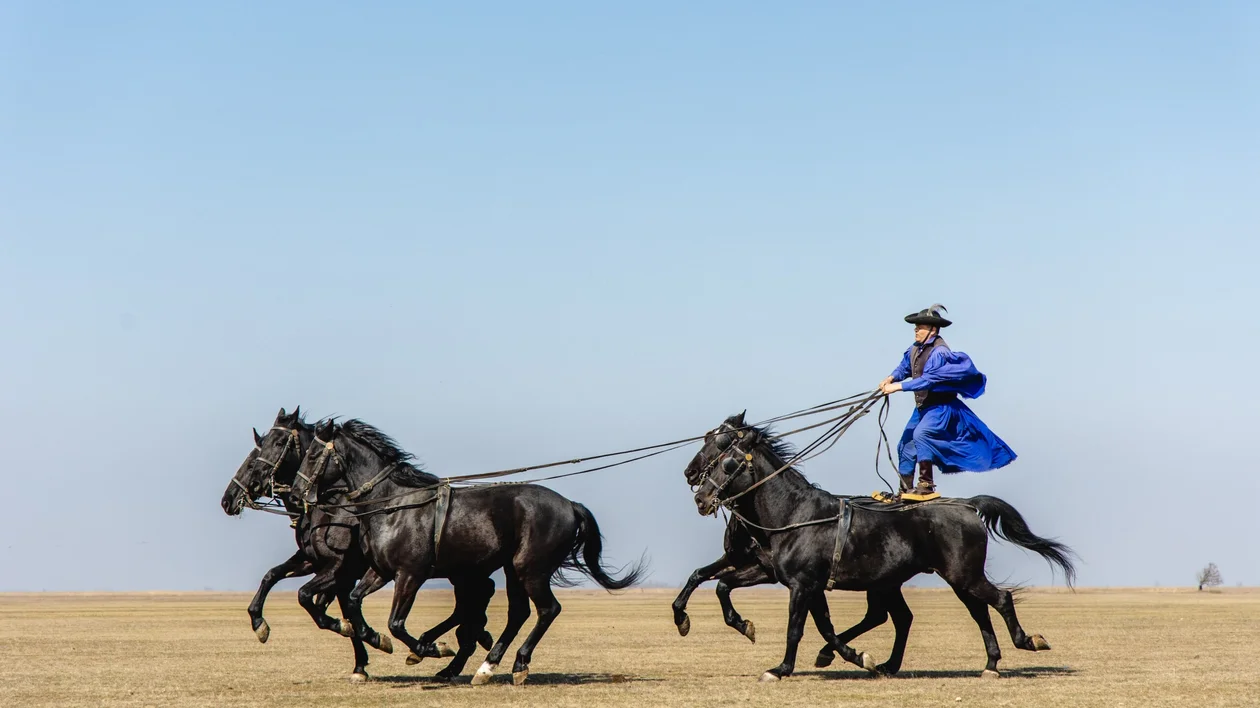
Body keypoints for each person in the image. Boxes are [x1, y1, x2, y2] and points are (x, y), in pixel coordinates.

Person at [878, 305, 1015, 501]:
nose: (916, 330)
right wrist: (891, 378)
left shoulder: (939, 353)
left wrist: (898, 387)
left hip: (941, 407)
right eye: (916, 327)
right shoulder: (915, 348)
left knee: (922, 434)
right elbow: (905, 367)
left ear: (933, 330)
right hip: (923, 408)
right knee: (906, 444)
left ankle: (926, 486)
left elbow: (929, 380)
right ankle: (905, 491)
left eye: (921, 327)